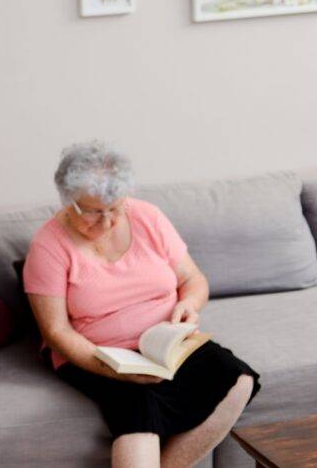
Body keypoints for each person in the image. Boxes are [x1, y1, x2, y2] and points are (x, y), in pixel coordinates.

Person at [23, 141, 260, 468]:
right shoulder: (48, 245)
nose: (107, 223)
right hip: (98, 352)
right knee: (138, 405)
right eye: (93, 212)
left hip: (165, 344)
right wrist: (111, 369)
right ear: (68, 201)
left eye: (115, 209)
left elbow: (193, 279)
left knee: (236, 379)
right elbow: (55, 330)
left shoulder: (148, 216)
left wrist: (190, 304)